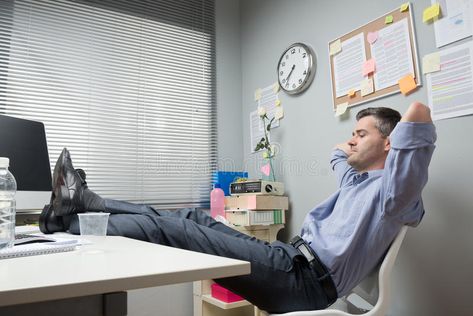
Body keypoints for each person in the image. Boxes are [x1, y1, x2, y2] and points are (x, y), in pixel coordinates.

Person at [39, 101, 436, 314]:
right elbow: (337, 155)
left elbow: (417, 115)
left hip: (306, 284)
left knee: (179, 234)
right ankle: (86, 204)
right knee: (193, 217)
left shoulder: (394, 196)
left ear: (390, 144)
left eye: (360, 134)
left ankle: (71, 223)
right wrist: (356, 143)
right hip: (288, 259)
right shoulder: (357, 182)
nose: (349, 140)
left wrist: (387, 134)